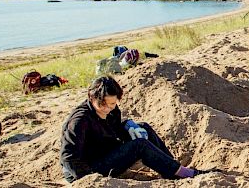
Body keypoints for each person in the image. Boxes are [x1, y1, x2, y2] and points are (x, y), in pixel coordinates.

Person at [60, 77, 206, 183]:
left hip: (103, 151)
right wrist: (89, 180)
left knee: (143, 128)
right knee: (140, 145)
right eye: (103, 104)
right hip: (86, 169)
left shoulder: (111, 110)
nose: (108, 108)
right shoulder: (79, 121)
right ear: (91, 98)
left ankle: (173, 168)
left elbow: (113, 130)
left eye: (112, 104)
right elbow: (68, 157)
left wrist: (128, 125)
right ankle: (183, 173)